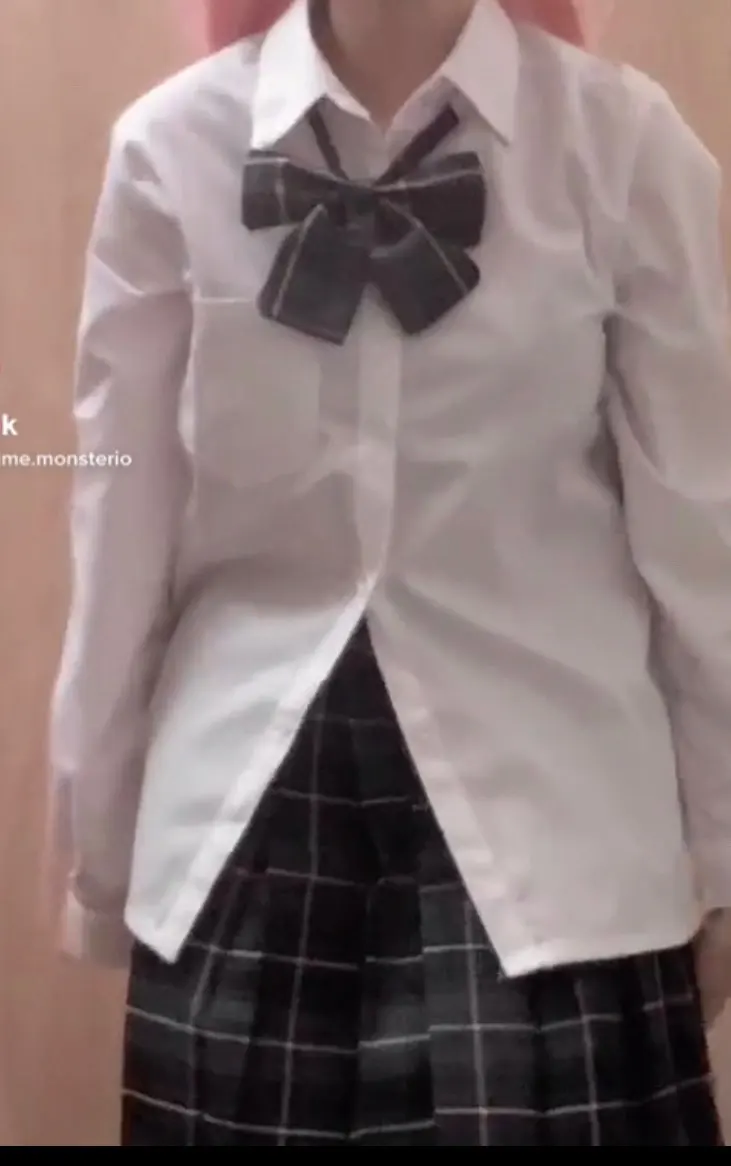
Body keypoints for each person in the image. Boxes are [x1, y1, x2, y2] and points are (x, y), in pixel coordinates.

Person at [49, 0, 731, 1146]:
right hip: (243, 830)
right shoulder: (170, 149)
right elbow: (119, 527)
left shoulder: (621, 146)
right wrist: (102, 853)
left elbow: (699, 533)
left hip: (558, 838)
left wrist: (722, 853)